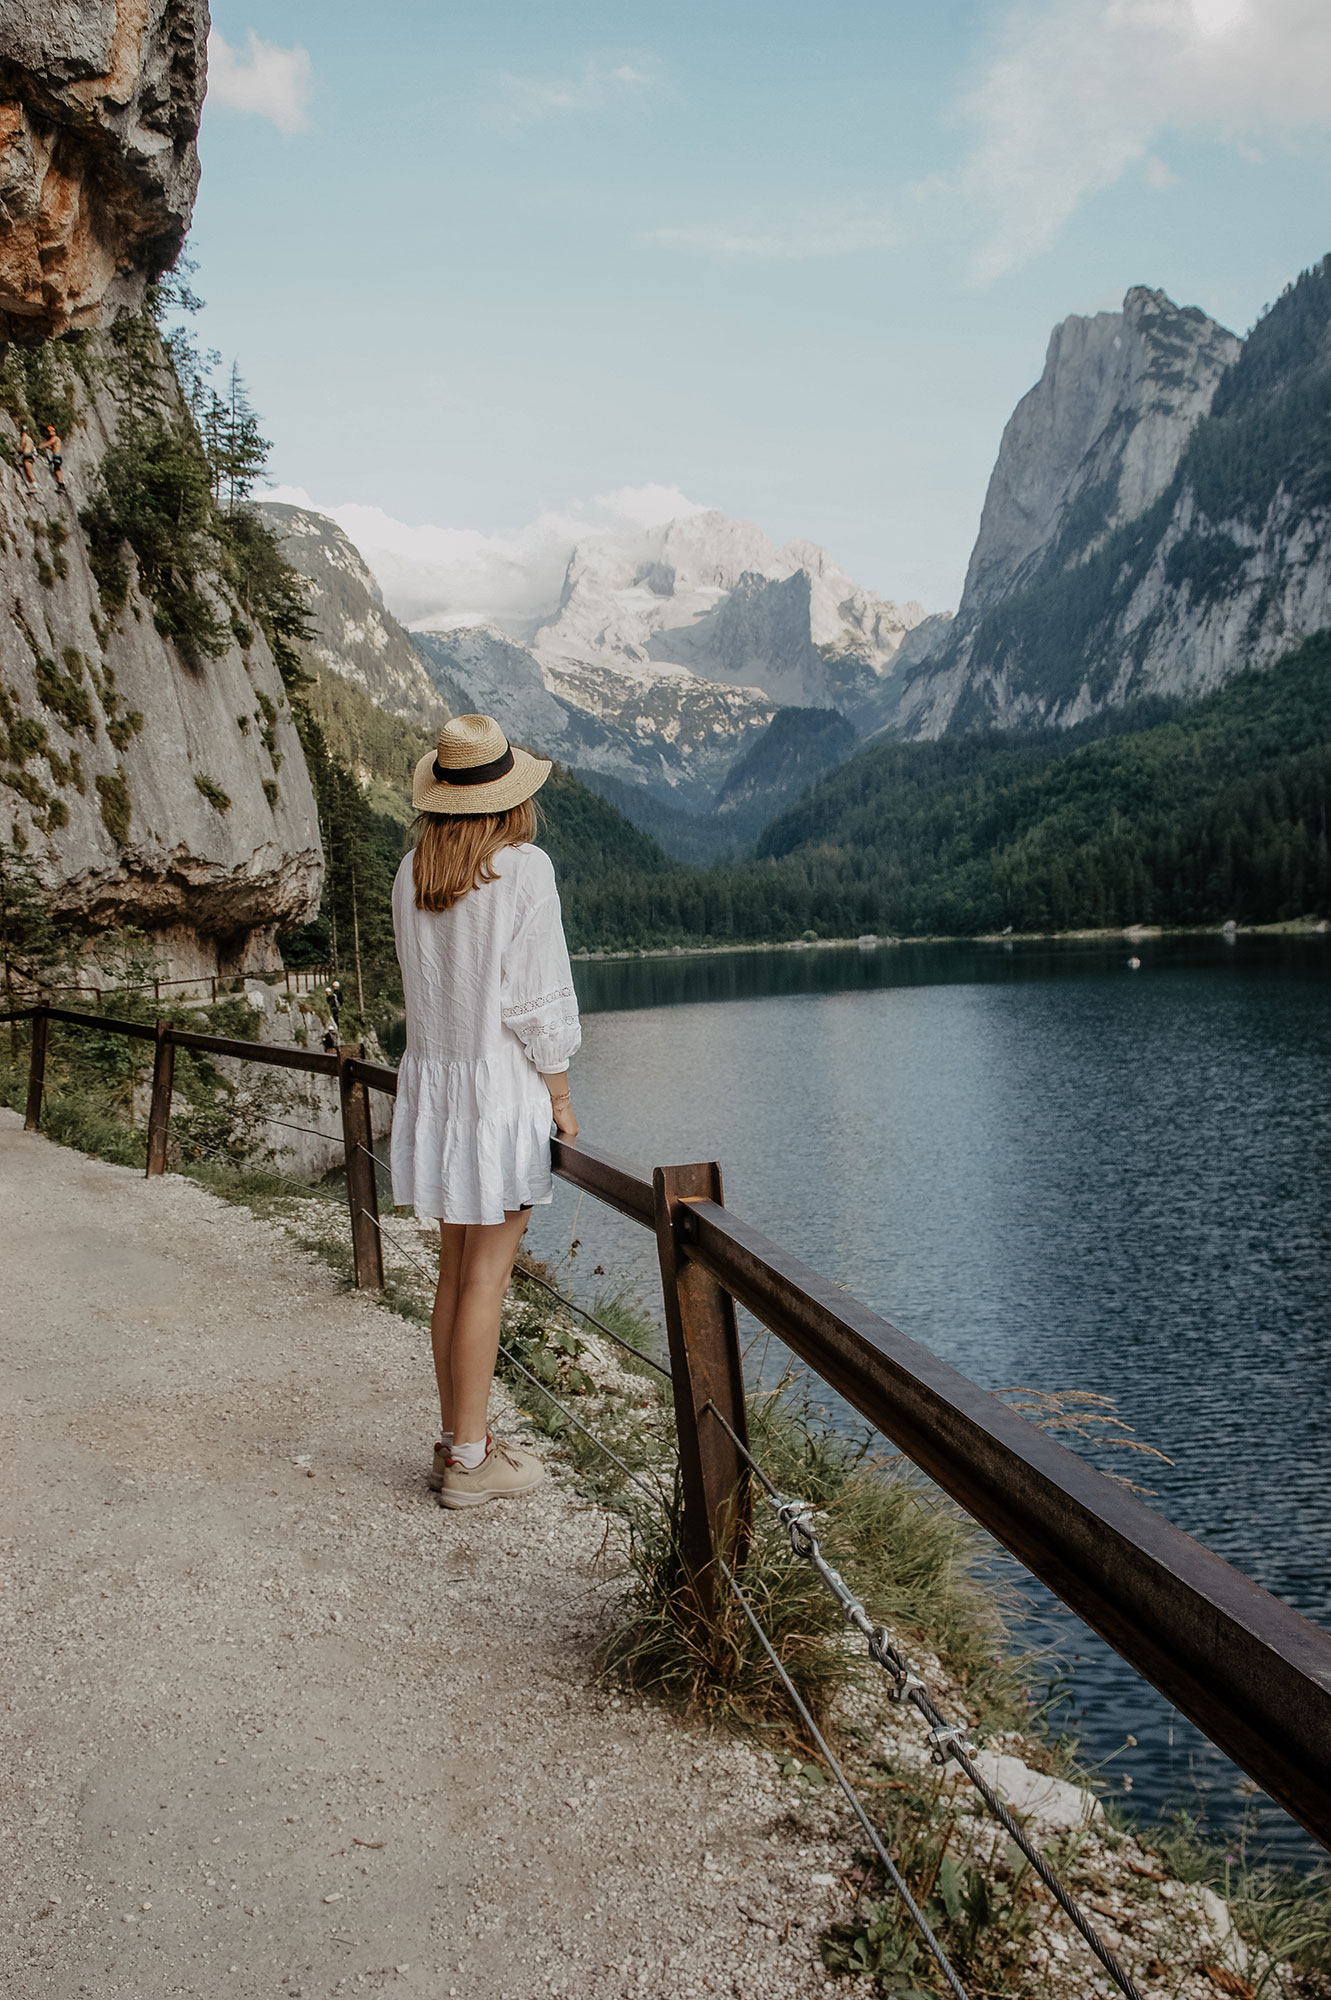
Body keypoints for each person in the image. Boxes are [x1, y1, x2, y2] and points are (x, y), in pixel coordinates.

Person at [391, 713, 580, 1510]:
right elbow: (537, 1002)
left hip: (438, 1098)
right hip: (499, 1097)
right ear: (509, 799)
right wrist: (560, 1095)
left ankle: (455, 1441)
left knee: (454, 1275)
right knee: (487, 1283)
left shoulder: (413, 873)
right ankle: (471, 1463)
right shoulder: (521, 870)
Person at [39, 425, 65, 492]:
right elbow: (53, 448)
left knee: (57, 470)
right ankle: (60, 484)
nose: (49, 432)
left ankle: (61, 485)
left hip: (57, 456)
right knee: (56, 469)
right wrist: (48, 447)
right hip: (56, 456)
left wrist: (40, 446)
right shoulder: (55, 439)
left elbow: (49, 443)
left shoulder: (55, 438)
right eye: (49, 431)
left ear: (54, 431)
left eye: (51, 431)